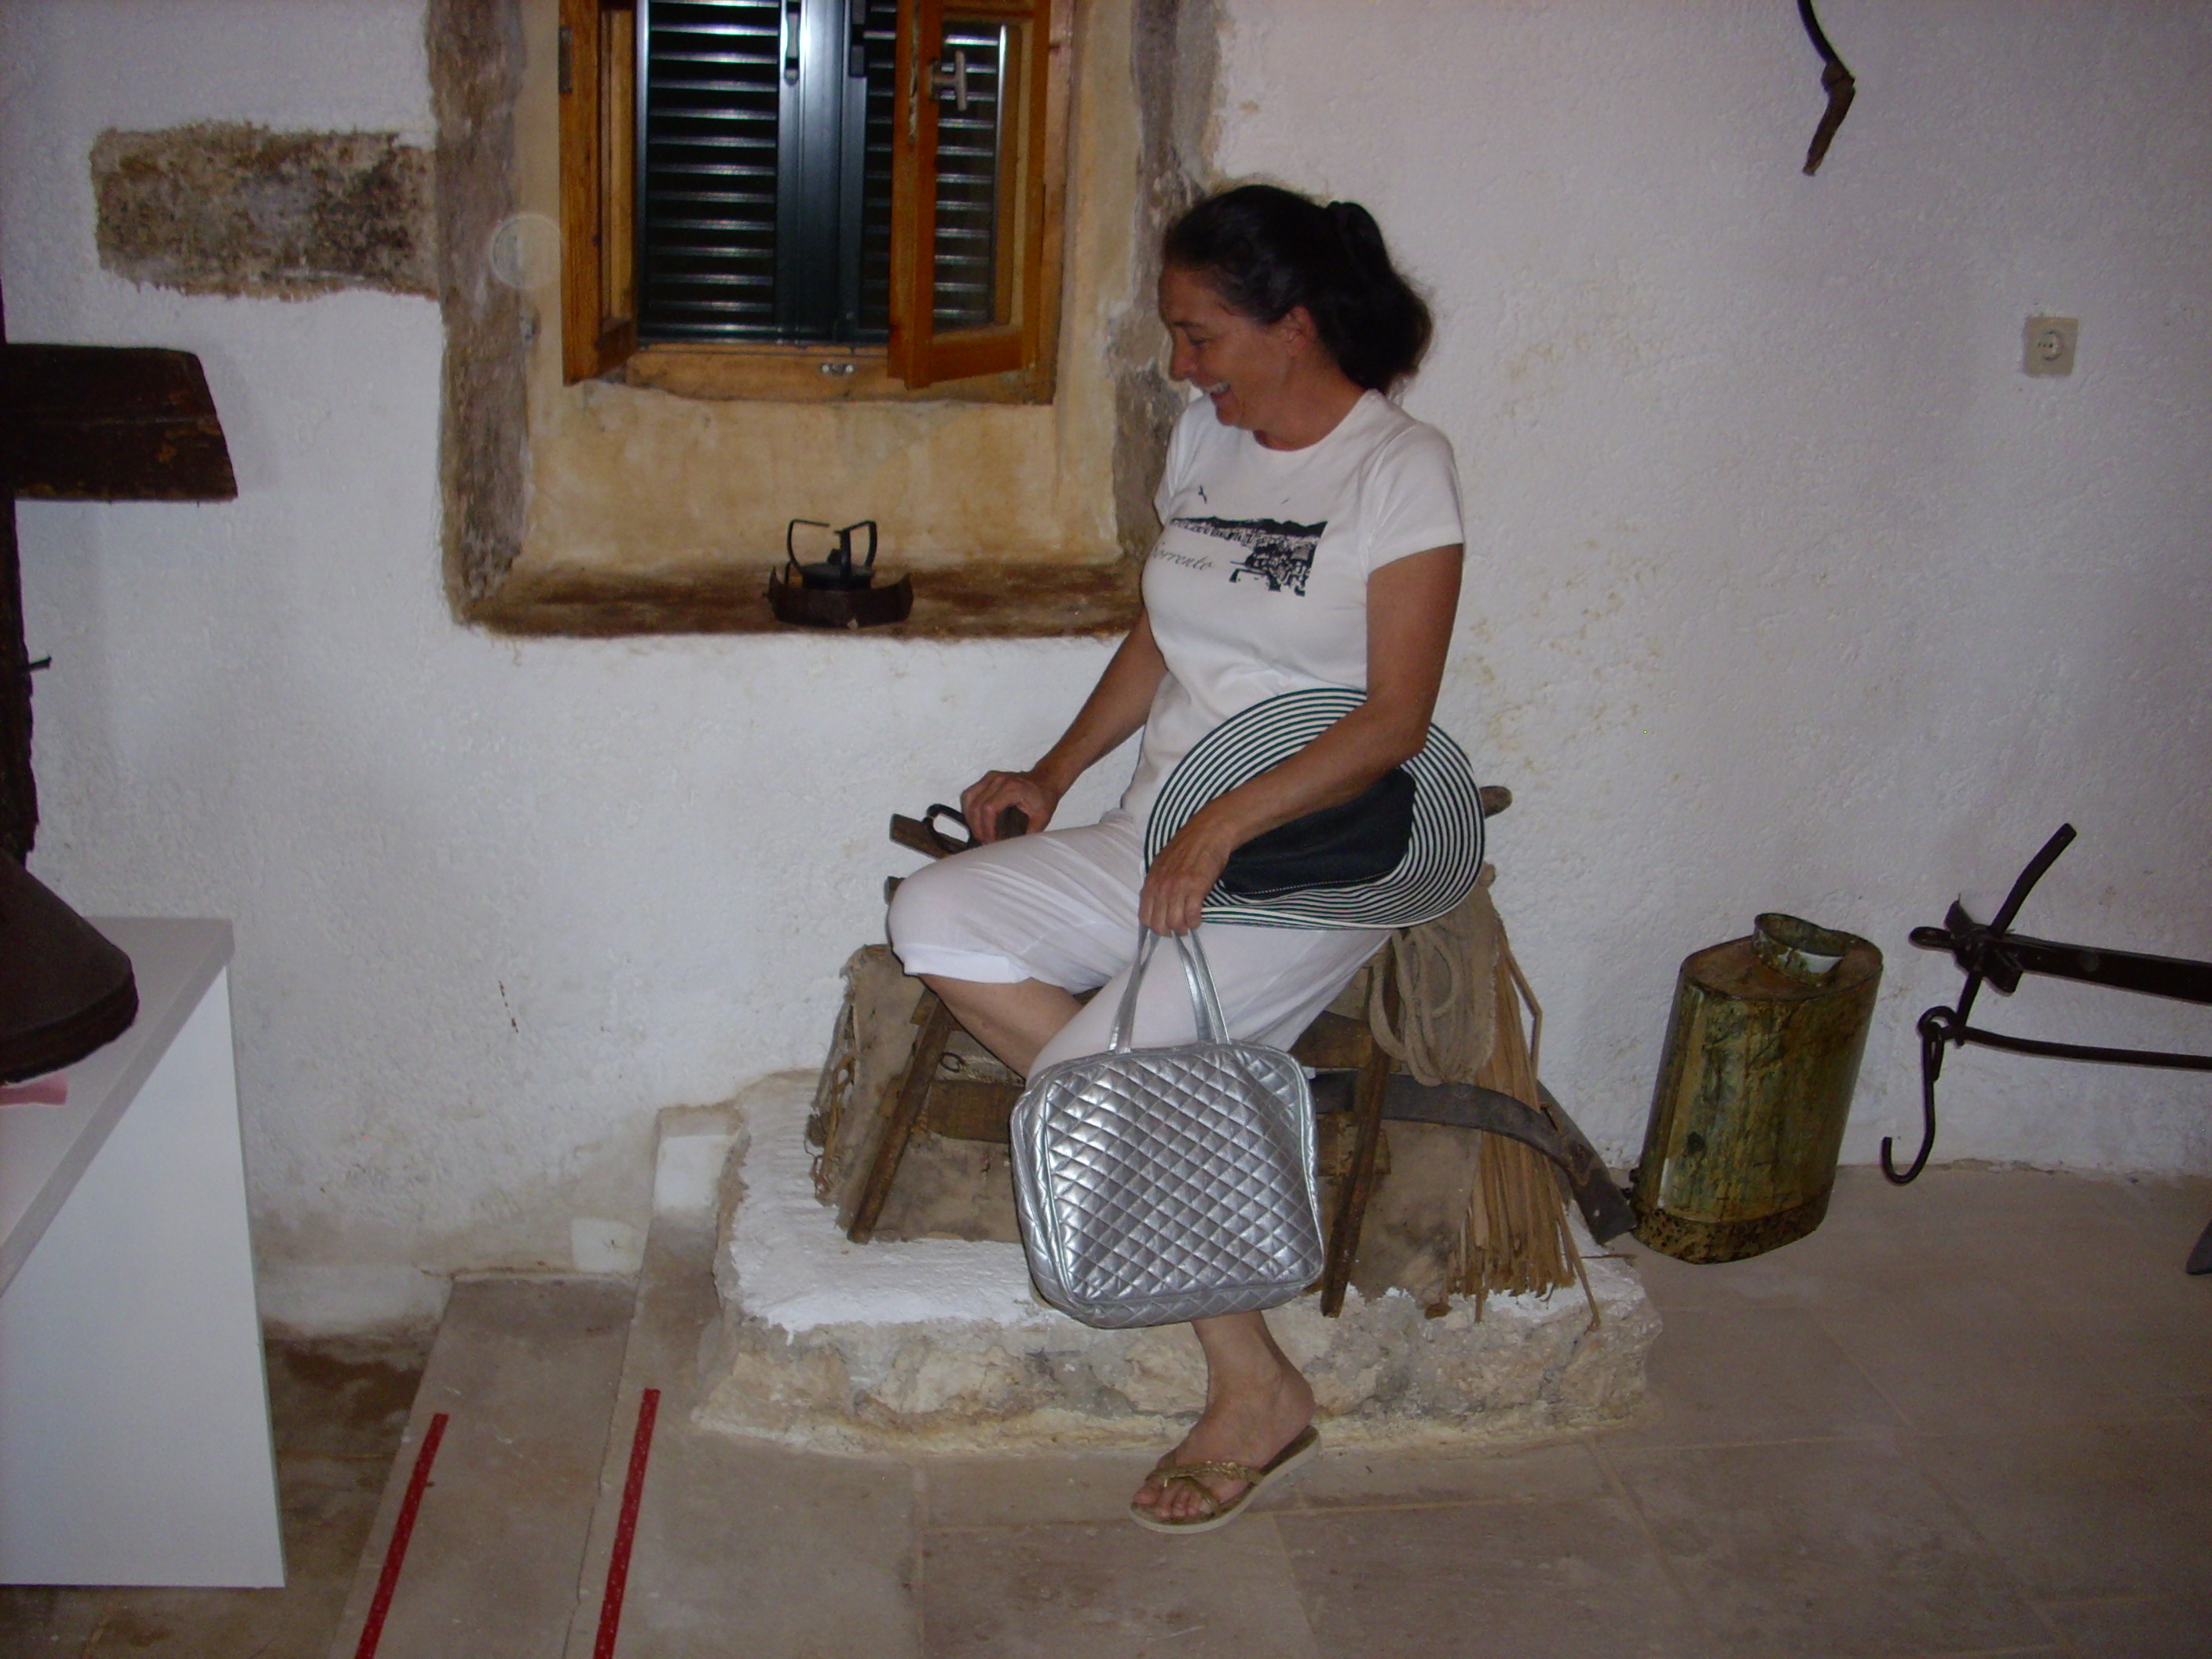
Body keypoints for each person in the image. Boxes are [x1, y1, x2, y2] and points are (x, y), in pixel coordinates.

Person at [887, 182, 1465, 1529]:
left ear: (1295, 324)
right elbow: (1163, 633)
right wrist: (1052, 772)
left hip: (1305, 865)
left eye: (1201, 335)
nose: (1181, 364)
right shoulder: (1207, 443)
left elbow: (1395, 718)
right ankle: (1228, 1263)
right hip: (1161, 831)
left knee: (1095, 1077)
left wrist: (1226, 823)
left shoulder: (1399, 467)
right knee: (936, 917)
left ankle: (1250, 1386)